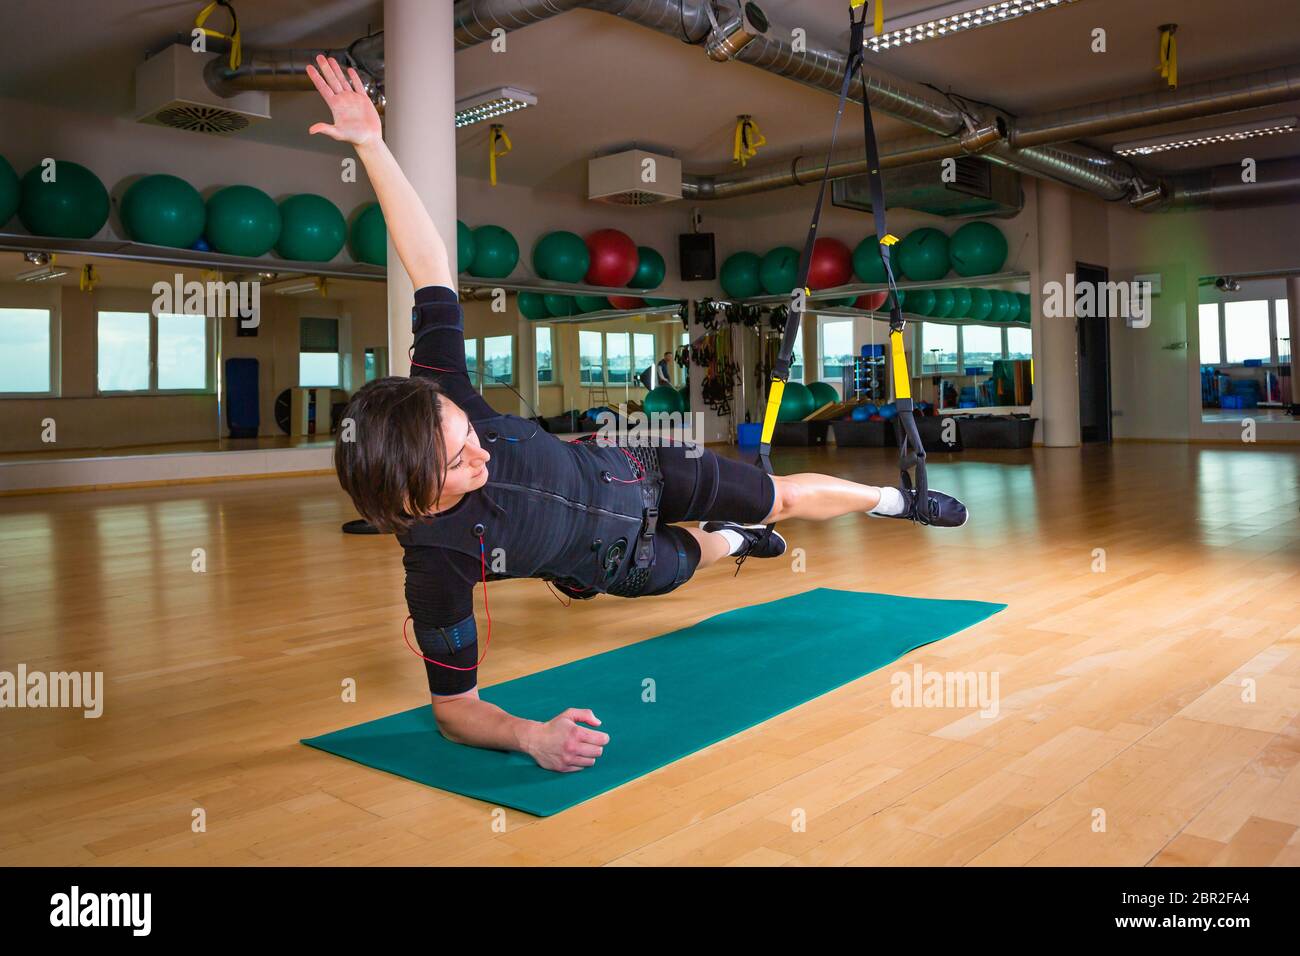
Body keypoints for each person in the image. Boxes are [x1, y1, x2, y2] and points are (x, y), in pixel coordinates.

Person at [309, 56, 968, 773]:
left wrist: (373, 146)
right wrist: (531, 735)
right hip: (618, 561)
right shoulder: (435, 570)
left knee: (777, 497)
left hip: (642, 465)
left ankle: (897, 500)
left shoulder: (438, 392)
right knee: (704, 554)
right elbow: (455, 711)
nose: (482, 457)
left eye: (470, 437)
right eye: (459, 465)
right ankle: (738, 544)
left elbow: (429, 260)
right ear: (406, 501)